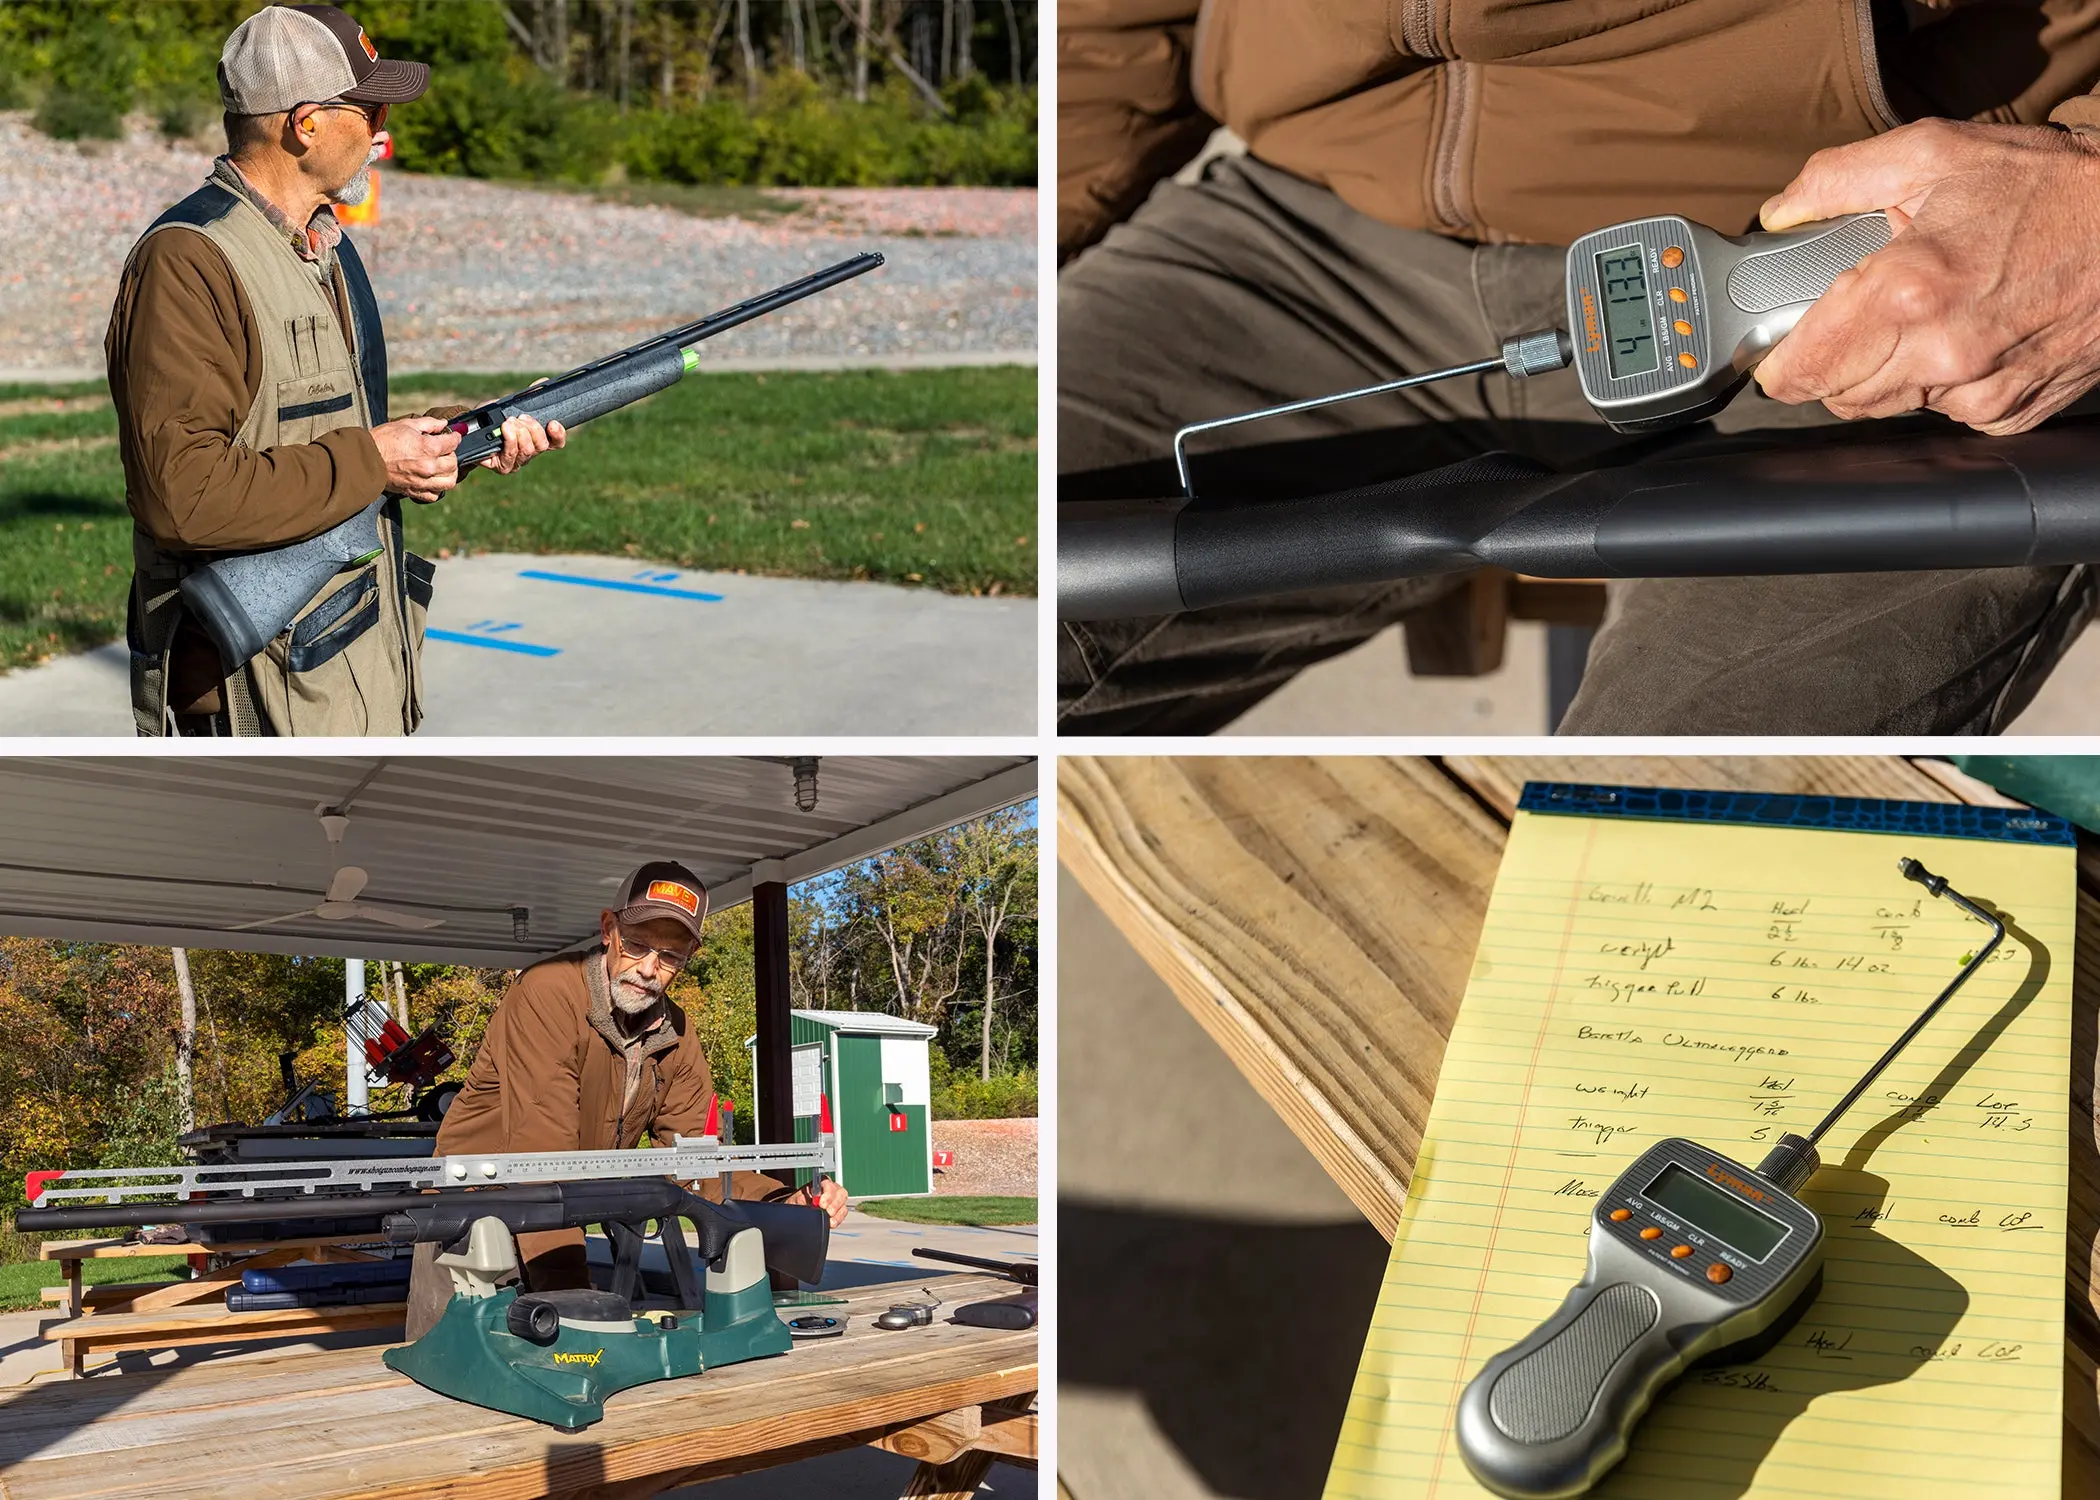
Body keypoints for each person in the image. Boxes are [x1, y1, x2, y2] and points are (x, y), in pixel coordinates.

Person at [1056, 1, 2100, 735]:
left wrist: (2084, 211)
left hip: (1892, 263)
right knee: (968, 634)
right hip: (1308, 231)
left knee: (1691, 853)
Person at [105, 4, 565, 737]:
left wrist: (460, 439)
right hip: (251, 696)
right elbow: (182, 497)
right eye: (371, 106)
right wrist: (377, 462)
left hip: (344, 675)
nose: (385, 127)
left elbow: (342, 441)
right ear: (305, 123)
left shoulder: (325, 247)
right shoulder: (189, 261)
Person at [405, 860, 852, 1341]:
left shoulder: (677, 1032)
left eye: (670, 956)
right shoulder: (547, 992)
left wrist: (787, 1203)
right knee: (451, 1392)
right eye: (636, 944)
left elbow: (698, 1160)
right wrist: (575, 1308)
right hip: (471, 1225)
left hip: (557, 1211)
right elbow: (539, 1161)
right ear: (608, 930)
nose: (648, 969)